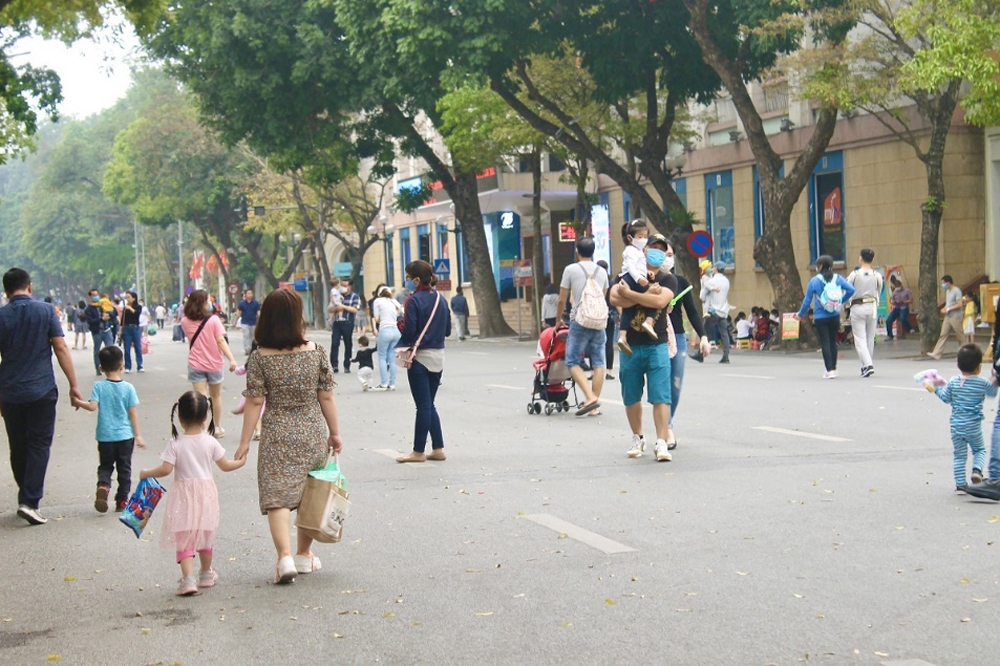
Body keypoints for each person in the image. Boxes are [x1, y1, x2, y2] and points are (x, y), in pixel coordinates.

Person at [234, 289, 342, 583]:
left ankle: (284, 559)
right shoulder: (316, 351)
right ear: (298, 318)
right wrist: (335, 433)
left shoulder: (259, 358)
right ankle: (304, 556)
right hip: (312, 430)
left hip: (277, 433)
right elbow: (327, 397)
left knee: (277, 497)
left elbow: (255, 402)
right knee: (311, 493)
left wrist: (244, 443)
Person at [140, 391, 246, 596]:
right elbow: (225, 466)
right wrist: (241, 462)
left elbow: (165, 470)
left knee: (185, 535)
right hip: (206, 494)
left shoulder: (176, 442)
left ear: (179, 417)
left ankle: (188, 579)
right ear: (206, 416)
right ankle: (206, 574)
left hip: (183, 494)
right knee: (206, 532)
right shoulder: (210, 441)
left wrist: (146, 473)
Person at [0, 268, 82, 525]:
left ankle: (27, 495)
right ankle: (29, 500)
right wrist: (73, 385)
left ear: (6, 291)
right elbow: (60, 347)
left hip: (10, 392)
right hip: (42, 390)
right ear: (30, 287)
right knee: (38, 444)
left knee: (18, 444)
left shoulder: (1, 316)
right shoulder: (46, 311)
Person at [608, 237, 676, 462]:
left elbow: (659, 303)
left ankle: (662, 441)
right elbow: (614, 297)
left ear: (666, 254)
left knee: (661, 396)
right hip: (629, 346)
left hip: (656, 344)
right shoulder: (626, 273)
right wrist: (642, 296)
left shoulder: (668, 279)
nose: (656, 252)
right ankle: (637, 437)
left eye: (661, 250)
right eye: (652, 248)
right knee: (630, 395)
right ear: (643, 250)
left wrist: (630, 295)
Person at [72, 345, 147, 513]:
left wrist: (78, 402)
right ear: (122, 366)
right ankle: (121, 501)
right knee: (124, 468)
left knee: (105, 466)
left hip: (105, 436)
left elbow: (92, 407)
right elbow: (133, 413)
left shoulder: (99, 387)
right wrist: (138, 435)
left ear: (101, 368)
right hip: (125, 436)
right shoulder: (128, 388)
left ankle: (104, 486)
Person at [395, 260, 451, 463]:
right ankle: (438, 448)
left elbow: (409, 331)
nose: (407, 281)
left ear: (417, 279)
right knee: (429, 404)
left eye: (409, 277)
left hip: (420, 358)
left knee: (423, 406)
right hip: (439, 356)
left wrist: (399, 321)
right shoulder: (440, 299)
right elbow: (447, 330)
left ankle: (418, 451)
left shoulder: (413, 300)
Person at [662, 238, 711, 447]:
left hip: (678, 338)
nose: (666, 259)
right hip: (655, 338)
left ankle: (667, 425)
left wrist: (703, 336)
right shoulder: (646, 281)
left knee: (675, 383)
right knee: (660, 383)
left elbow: (691, 311)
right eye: (662, 254)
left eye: (670, 255)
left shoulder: (680, 282)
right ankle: (663, 427)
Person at [931, 344, 997, 493]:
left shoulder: (953, 381)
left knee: (959, 455)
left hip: (956, 428)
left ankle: (960, 484)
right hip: (974, 427)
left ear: (958, 365)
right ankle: (977, 471)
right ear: (979, 367)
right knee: (979, 449)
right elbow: (992, 393)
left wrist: (936, 388)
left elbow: (945, 398)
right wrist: (993, 378)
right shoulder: (982, 383)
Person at [556, 236, 609, 416]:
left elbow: (562, 298)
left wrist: (558, 321)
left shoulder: (571, 269)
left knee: (572, 360)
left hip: (580, 320)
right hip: (599, 321)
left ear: (577, 252)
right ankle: (593, 407)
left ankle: (590, 397)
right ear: (593, 252)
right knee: (599, 361)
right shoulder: (602, 271)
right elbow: (603, 295)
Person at [181, 289, 238, 437]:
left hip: (195, 363)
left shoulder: (185, 321)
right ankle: (216, 427)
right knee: (216, 396)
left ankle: (202, 428)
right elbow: (220, 341)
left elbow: (191, 341)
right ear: (203, 303)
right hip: (214, 364)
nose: (210, 303)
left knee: (200, 398)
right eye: (208, 301)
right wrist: (231, 359)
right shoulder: (213, 320)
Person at [795, 256, 855, 378]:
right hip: (835, 314)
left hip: (820, 316)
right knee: (833, 342)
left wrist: (800, 314)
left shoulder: (814, 281)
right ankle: (834, 368)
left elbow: (807, 300)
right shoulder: (838, 278)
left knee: (825, 343)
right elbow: (851, 289)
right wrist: (840, 301)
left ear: (820, 266)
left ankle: (829, 370)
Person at [616, 219, 657, 354]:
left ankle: (622, 336)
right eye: (640, 237)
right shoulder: (630, 251)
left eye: (645, 237)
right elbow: (631, 267)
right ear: (630, 237)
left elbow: (640, 267)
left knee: (628, 308)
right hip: (631, 278)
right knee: (652, 298)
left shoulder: (639, 251)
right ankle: (649, 322)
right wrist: (639, 278)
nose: (643, 239)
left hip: (631, 278)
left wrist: (647, 272)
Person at [846, 249, 883, 378]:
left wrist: (845, 302)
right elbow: (879, 290)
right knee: (869, 337)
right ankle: (866, 365)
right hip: (872, 306)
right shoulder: (877, 275)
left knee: (860, 338)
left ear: (861, 258)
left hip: (857, 306)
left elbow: (847, 288)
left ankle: (867, 364)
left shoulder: (855, 274)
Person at [371, 285, 403, 391]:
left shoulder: (377, 301)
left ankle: (384, 383)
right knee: (392, 357)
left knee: (382, 357)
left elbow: (376, 318)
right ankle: (392, 384)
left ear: (379, 293)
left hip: (385, 330)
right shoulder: (393, 301)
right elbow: (402, 311)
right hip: (396, 330)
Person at [700, 260, 732, 363]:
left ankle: (700, 354)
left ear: (716, 269)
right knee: (724, 334)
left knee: (706, 333)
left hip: (713, 311)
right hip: (723, 311)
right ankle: (726, 356)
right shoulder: (727, 281)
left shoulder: (711, 281)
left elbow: (702, 295)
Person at [929, 275, 965, 360]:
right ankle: (937, 353)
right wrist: (944, 308)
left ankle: (964, 353)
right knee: (943, 334)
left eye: (943, 283)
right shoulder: (948, 291)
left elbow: (960, 304)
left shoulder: (956, 291)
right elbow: (948, 303)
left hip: (956, 316)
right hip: (948, 316)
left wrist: (948, 309)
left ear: (948, 282)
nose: (943, 285)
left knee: (960, 335)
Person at [329, 278, 360, 374]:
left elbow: (355, 310)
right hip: (337, 323)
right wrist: (334, 309)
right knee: (334, 344)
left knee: (348, 344)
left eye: (345, 286)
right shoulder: (337, 294)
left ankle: (347, 365)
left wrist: (343, 307)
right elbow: (329, 308)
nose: (343, 287)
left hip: (348, 322)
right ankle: (334, 365)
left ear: (350, 286)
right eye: (342, 285)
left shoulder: (355, 296)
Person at [596, 261, 620, 381]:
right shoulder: (611, 283)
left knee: (595, 343)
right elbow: (615, 300)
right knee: (608, 343)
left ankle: (594, 371)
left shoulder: (595, 282)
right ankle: (609, 371)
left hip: (596, 315)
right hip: (610, 315)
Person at [85, 289, 117, 377]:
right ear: (90, 297)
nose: (96, 297)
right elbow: (90, 321)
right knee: (97, 350)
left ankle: (111, 367)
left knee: (110, 349)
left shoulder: (102, 305)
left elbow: (113, 314)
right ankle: (98, 368)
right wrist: (101, 319)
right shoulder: (89, 309)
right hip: (97, 331)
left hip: (107, 329)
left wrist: (110, 314)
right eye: (94, 295)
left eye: (97, 295)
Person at [119, 291, 145, 374]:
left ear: (134, 298)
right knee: (127, 348)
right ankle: (127, 366)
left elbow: (137, 314)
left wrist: (130, 308)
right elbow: (122, 320)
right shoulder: (125, 308)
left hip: (135, 328)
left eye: (129, 297)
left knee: (138, 347)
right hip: (126, 328)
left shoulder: (138, 307)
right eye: (126, 297)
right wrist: (120, 330)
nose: (127, 299)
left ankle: (140, 365)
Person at [885, 276, 914, 340]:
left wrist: (904, 301)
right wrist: (894, 302)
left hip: (904, 307)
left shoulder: (907, 291)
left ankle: (910, 328)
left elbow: (911, 300)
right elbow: (892, 300)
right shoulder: (895, 292)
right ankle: (890, 335)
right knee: (888, 320)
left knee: (903, 318)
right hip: (897, 307)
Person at [237, 289, 261, 356]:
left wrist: (260, 319)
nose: (250, 294)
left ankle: (252, 349)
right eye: (248, 293)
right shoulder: (242, 303)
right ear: (245, 295)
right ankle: (247, 349)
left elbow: (258, 313)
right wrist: (235, 321)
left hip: (253, 322)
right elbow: (238, 313)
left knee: (253, 337)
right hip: (244, 322)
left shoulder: (256, 303)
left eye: (251, 293)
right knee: (246, 336)